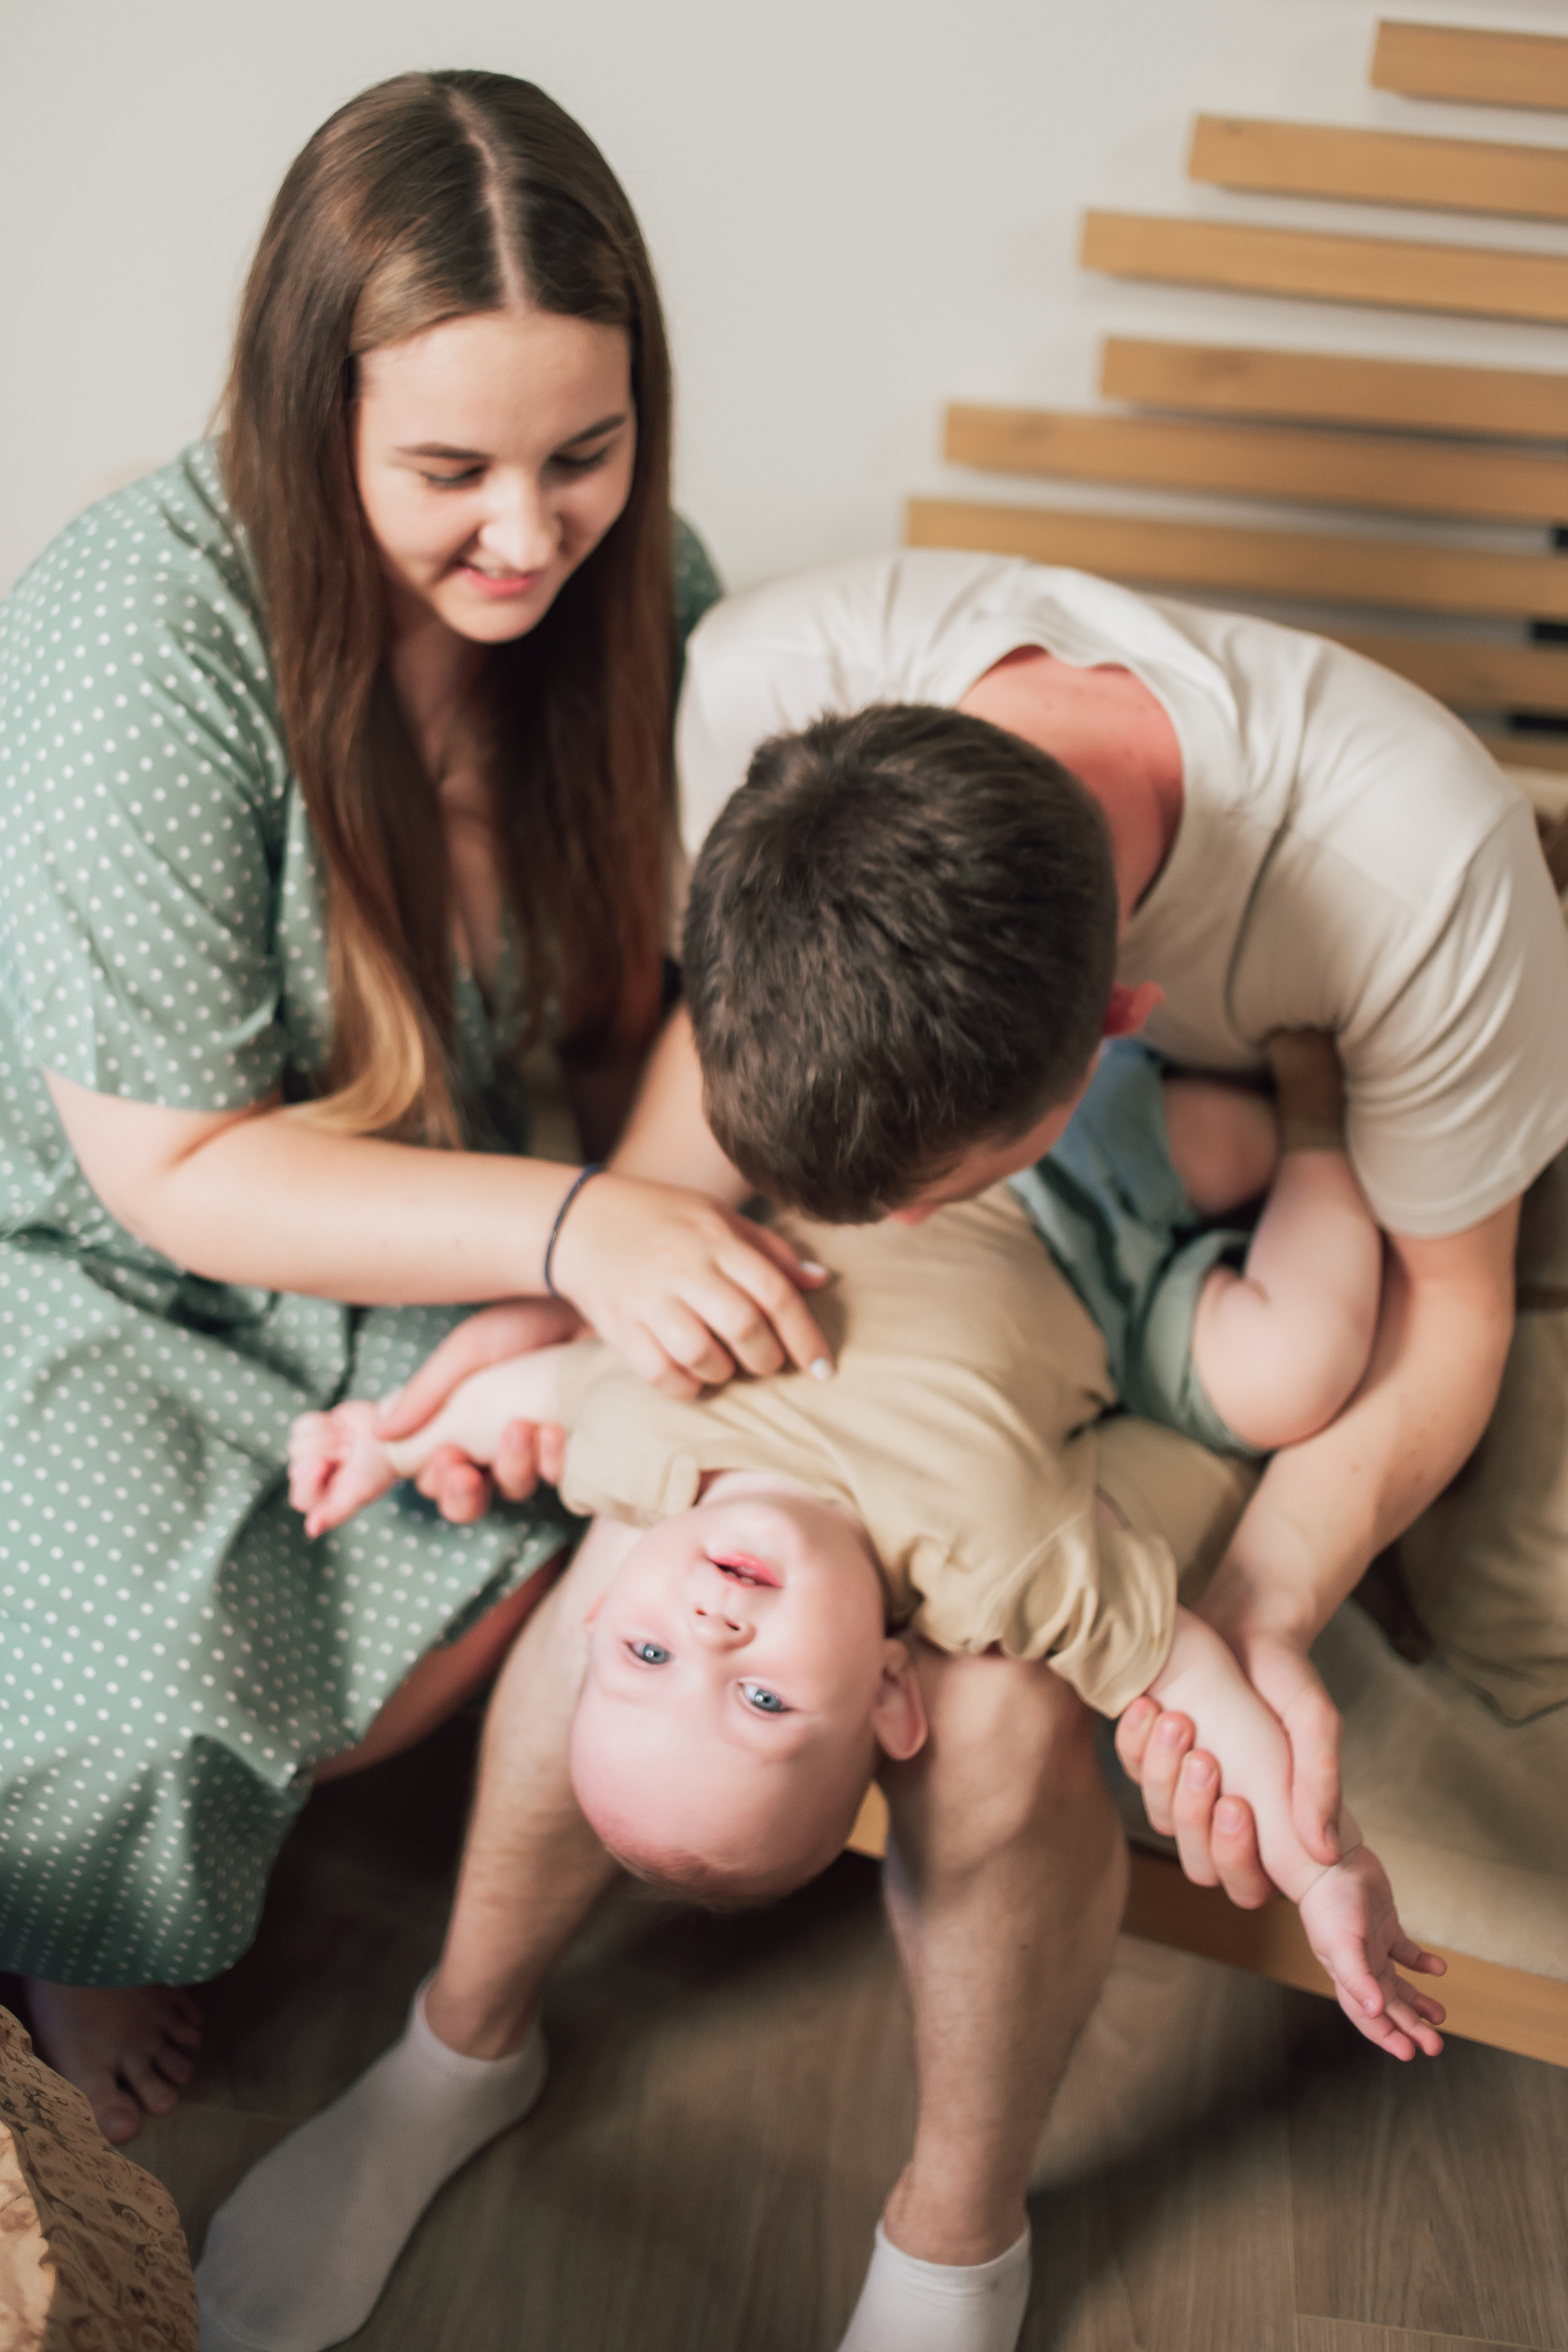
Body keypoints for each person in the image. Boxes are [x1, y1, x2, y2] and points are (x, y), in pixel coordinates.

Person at [193, 557, 1568, 2352]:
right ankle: (458, 2046)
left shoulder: (1429, 879)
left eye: (920, 1190)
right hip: (822, 1375)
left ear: (1107, 1039)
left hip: (1122, 1312)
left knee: (997, 1697)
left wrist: (1271, 1613)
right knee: (630, 1572)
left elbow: (1447, 1325)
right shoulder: (775, 677)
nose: (884, 1230)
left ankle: (955, 2228)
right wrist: (559, 1326)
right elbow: (710, 1104)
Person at [0, 69, 834, 2150]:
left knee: (573, 1463)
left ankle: (221, 1802)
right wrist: (572, 1237)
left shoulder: (654, 591)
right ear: (313, 422)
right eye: (451, 468)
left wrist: (579, 1272)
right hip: (99, 1227)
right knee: (142, 1677)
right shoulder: (141, 627)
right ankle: (74, 1911)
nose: (532, 534)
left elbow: (702, 999)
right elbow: (165, 1164)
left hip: (434, 1191)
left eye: (588, 455)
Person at [268, 1032, 1445, 2068]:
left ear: (603, 1602)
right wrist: (1322, 1869)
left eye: (647, 1651)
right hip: (1098, 1232)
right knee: (1290, 1355)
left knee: (1100, 1115)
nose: (714, 1636)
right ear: (891, 1693)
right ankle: (1322, 1108)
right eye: (765, 1698)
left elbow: (506, 1396)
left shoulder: (636, 1443)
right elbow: (1190, 1679)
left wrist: (384, 1439)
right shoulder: (996, 1569)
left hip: (891, 1138)